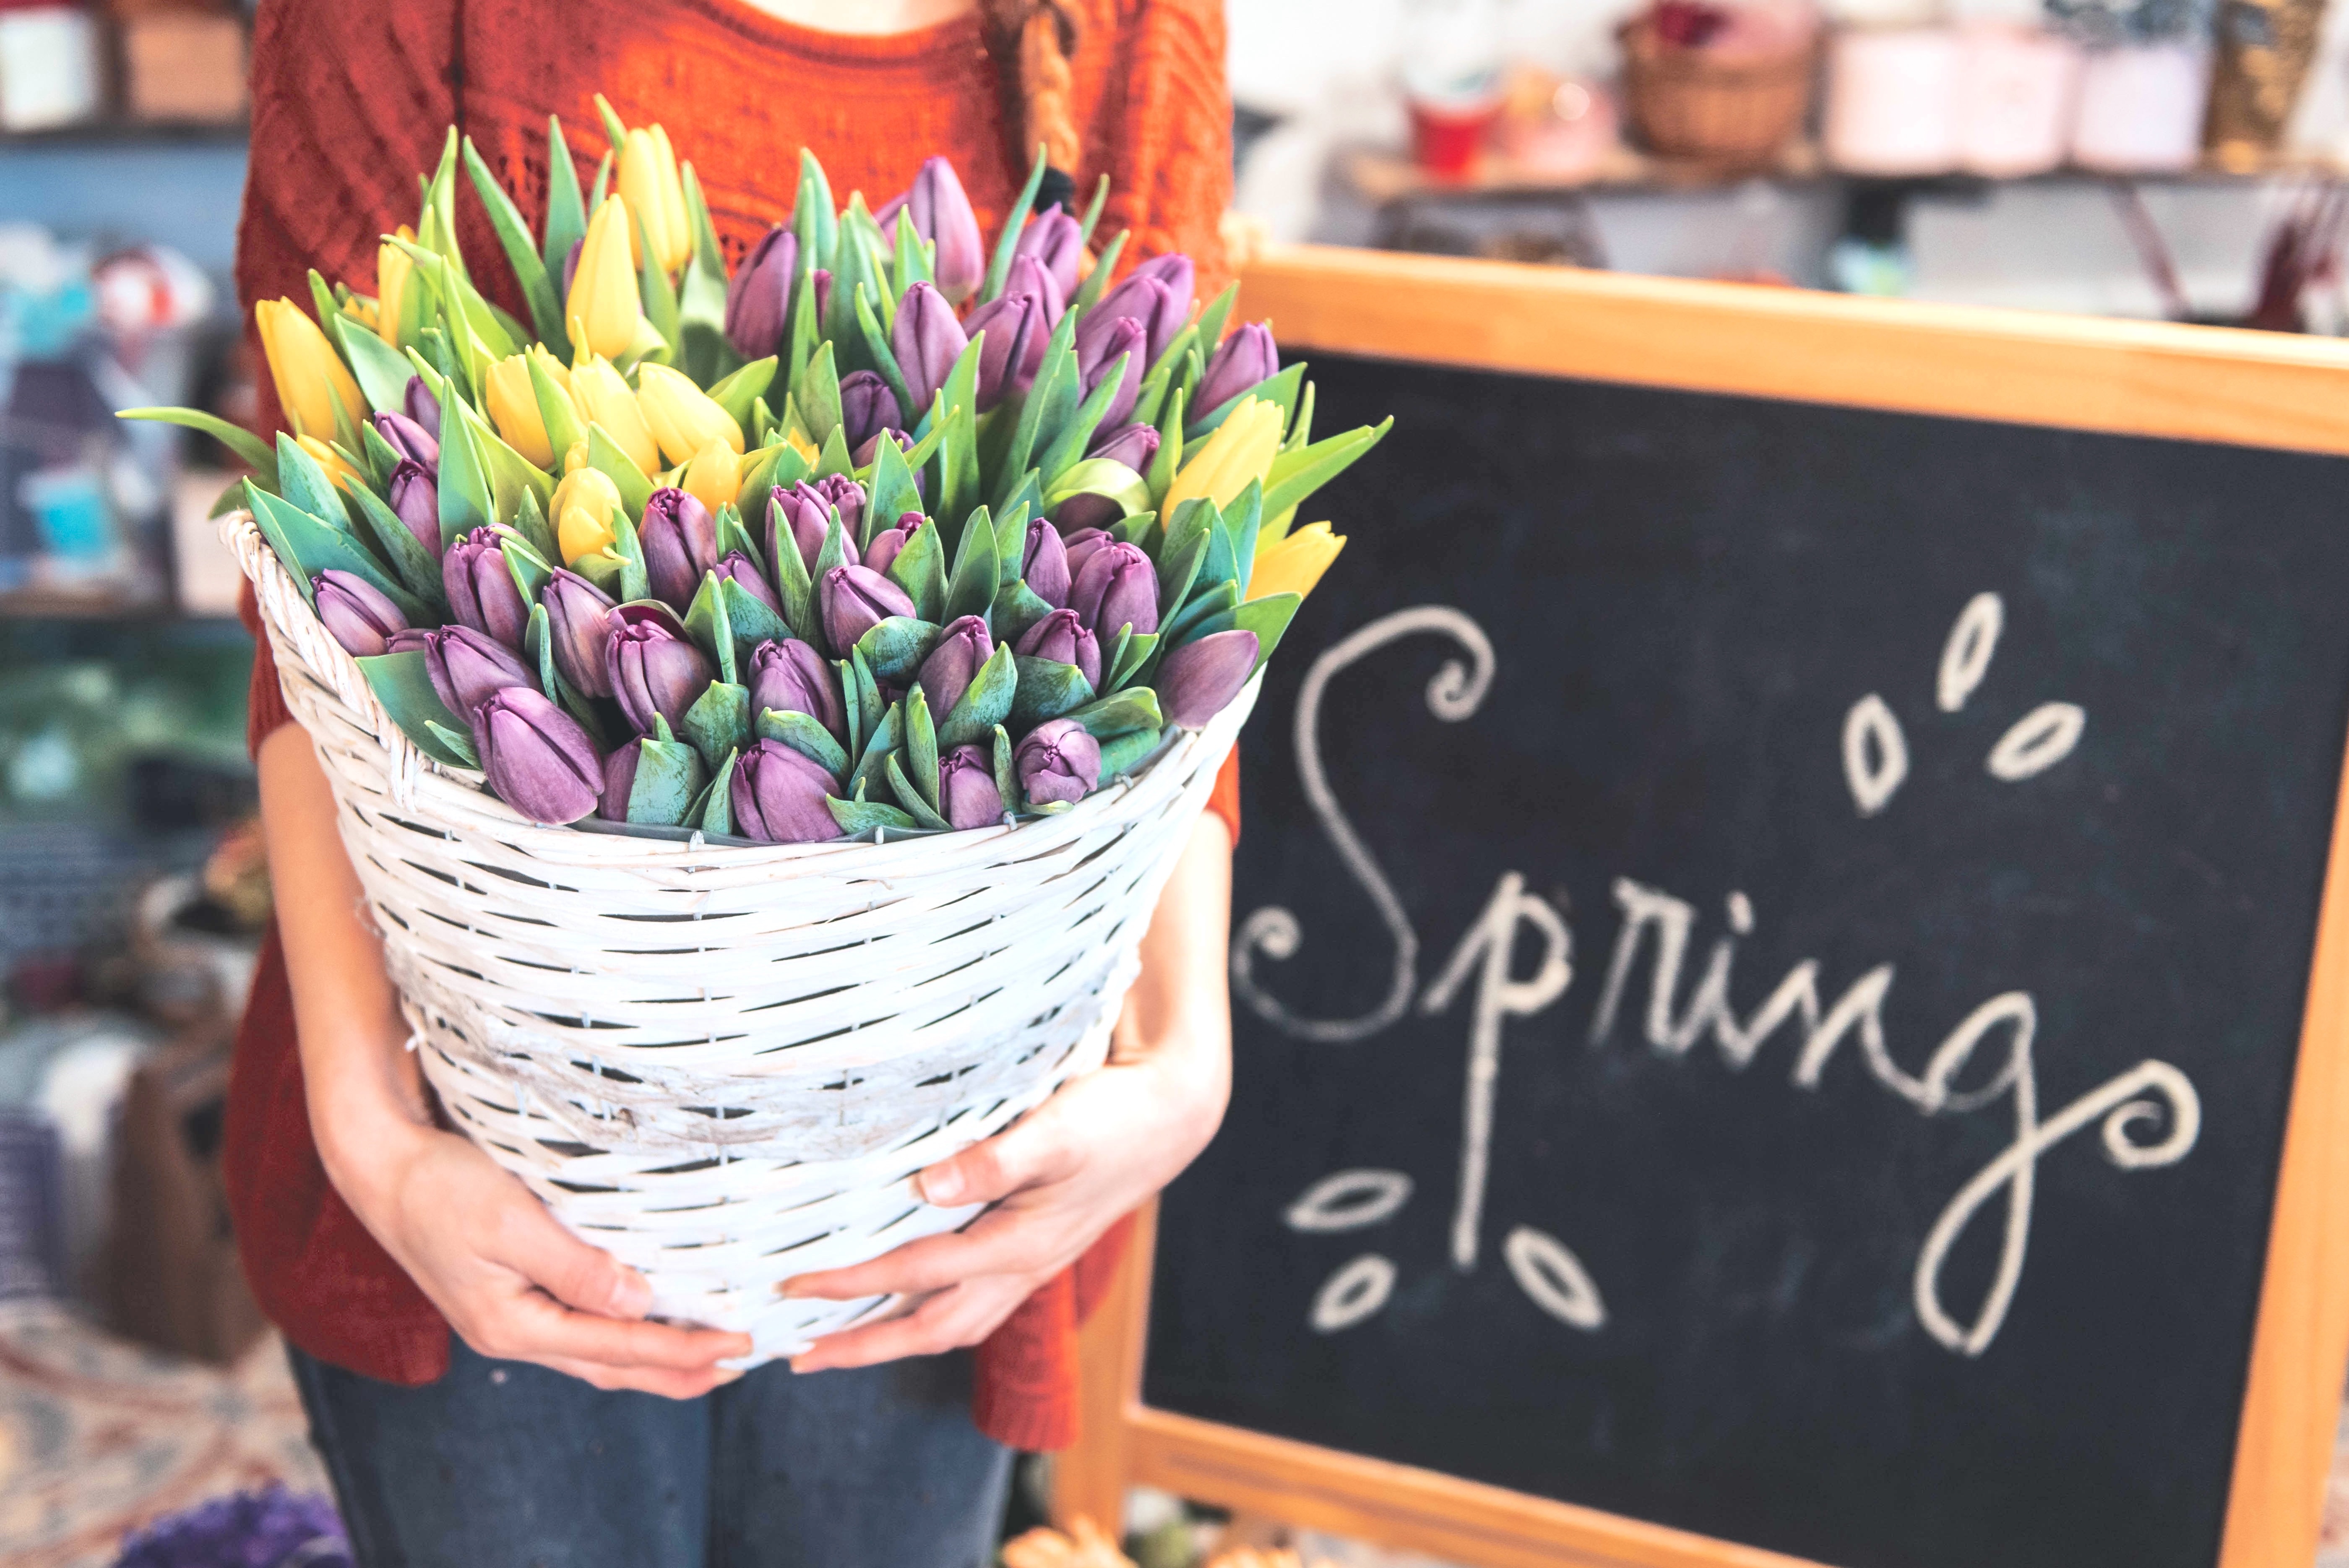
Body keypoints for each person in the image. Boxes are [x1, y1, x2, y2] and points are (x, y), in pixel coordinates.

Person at [229, 2, 1240, 1562]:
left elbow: (1179, 573)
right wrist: (374, 1142)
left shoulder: (1124, 24)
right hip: (474, 1133)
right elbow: (304, 601)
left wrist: (1187, 1064)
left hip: (937, 1151)